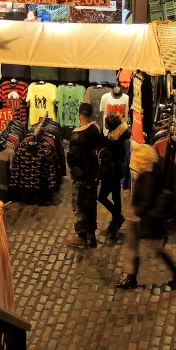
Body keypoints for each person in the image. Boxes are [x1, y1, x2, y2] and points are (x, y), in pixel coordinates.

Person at [115, 142, 176, 289]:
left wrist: (135, 213)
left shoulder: (147, 176)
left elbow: (146, 198)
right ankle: (132, 276)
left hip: (145, 219)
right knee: (144, 247)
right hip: (149, 219)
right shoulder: (154, 168)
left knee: (136, 247)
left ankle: (131, 277)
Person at [65, 102, 104, 248]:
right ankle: (91, 235)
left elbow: (72, 159)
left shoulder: (76, 135)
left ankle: (81, 236)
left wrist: (76, 173)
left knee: (79, 205)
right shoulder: (96, 129)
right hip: (93, 175)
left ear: (80, 114)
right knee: (91, 204)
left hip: (81, 177)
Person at [98, 112, 130, 239]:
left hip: (111, 173)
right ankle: (115, 222)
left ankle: (117, 217)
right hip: (118, 171)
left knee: (101, 197)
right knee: (116, 196)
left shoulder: (111, 141)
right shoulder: (122, 135)